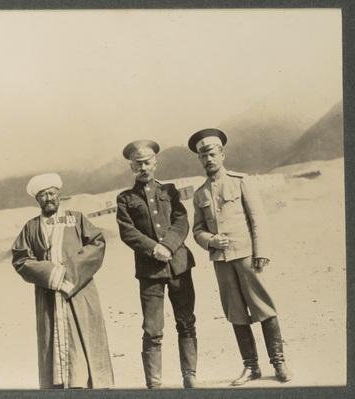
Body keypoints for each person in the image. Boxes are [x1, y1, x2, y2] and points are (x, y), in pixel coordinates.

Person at [188, 128, 292, 385]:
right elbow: (197, 229)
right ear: (200, 159)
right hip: (222, 262)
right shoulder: (200, 193)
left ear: (222, 154)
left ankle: (279, 362)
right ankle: (251, 367)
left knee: (263, 307)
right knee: (235, 312)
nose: (209, 159)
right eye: (203, 156)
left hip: (247, 256)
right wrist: (210, 240)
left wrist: (262, 252)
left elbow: (258, 219)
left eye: (212, 153)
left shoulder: (241, 181)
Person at [11, 173, 114, 389]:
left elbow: (97, 244)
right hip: (48, 294)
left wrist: (69, 274)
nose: (48, 198)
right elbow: (21, 259)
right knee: (53, 344)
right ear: (37, 200)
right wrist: (50, 275)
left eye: (51, 193)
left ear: (59, 195)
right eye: (42, 195)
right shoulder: (30, 227)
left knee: (85, 338)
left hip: (79, 291)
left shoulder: (76, 218)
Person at [116, 140, 198, 389]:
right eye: (137, 163)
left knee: (186, 321)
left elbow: (181, 220)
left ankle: (190, 376)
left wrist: (169, 246)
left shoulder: (170, 191)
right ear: (131, 166)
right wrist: (154, 249)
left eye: (147, 161)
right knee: (152, 329)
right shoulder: (125, 198)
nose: (143, 166)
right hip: (150, 272)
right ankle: (154, 384)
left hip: (179, 266)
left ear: (155, 162)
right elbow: (127, 231)